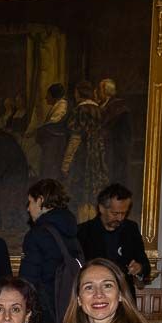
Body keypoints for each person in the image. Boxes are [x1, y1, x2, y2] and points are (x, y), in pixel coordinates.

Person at [19, 178, 84, 323]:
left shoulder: (37, 234)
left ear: (40, 200)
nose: (28, 208)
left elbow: (28, 282)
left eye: (30, 202)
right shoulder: (72, 232)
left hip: (45, 317)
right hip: (71, 313)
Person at [75, 184, 151, 299]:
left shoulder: (131, 229)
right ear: (101, 208)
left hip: (124, 298)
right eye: (115, 213)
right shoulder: (83, 232)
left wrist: (139, 268)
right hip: (96, 297)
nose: (120, 218)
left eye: (124, 213)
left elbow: (144, 264)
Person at [61, 81, 109, 222]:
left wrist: (66, 163)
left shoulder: (79, 110)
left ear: (79, 93)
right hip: (98, 156)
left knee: (81, 193)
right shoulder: (99, 110)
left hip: (82, 157)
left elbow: (75, 140)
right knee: (94, 193)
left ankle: (84, 227)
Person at [35, 83, 70, 181]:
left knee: (51, 171)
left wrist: (40, 130)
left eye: (48, 95)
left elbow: (54, 124)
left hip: (55, 145)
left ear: (54, 95)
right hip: (52, 145)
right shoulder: (57, 105)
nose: (46, 98)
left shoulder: (62, 105)